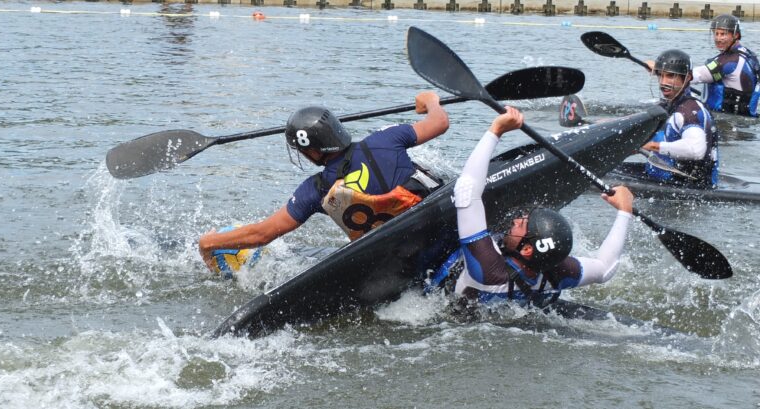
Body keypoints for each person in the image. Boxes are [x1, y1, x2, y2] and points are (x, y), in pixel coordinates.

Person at [199, 91, 450, 272]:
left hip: (396, 261)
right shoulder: (386, 139)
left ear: (312, 152)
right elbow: (440, 122)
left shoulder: (316, 190)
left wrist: (209, 243)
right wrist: (431, 100)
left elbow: (262, 234)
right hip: (438, 230)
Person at [427, 107, 635, 308]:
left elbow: (466, 191)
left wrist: (496, 130)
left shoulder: (488, 268)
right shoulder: (556, 271)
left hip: (440, 306)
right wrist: (624, 211)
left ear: (526, 249)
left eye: (522, 224)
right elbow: (604, 269)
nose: (516, 220)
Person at [642, 49, 719, 188]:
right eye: (661, 75)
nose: (663, 82)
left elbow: (696, 150)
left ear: (688, 77)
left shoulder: (690, 110)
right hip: (664, 180)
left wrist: (651, 146)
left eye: (670, 76)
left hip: (689, 188)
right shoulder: (669, 105)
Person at [690, 14, 760, 117]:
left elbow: (695, 76)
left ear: (736, 35)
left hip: (727, 125)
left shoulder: (729, 62)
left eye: (723, 34)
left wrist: (663, 69)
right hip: (745, 122)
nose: (718, 38)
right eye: (716, 33)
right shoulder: (749, 55)